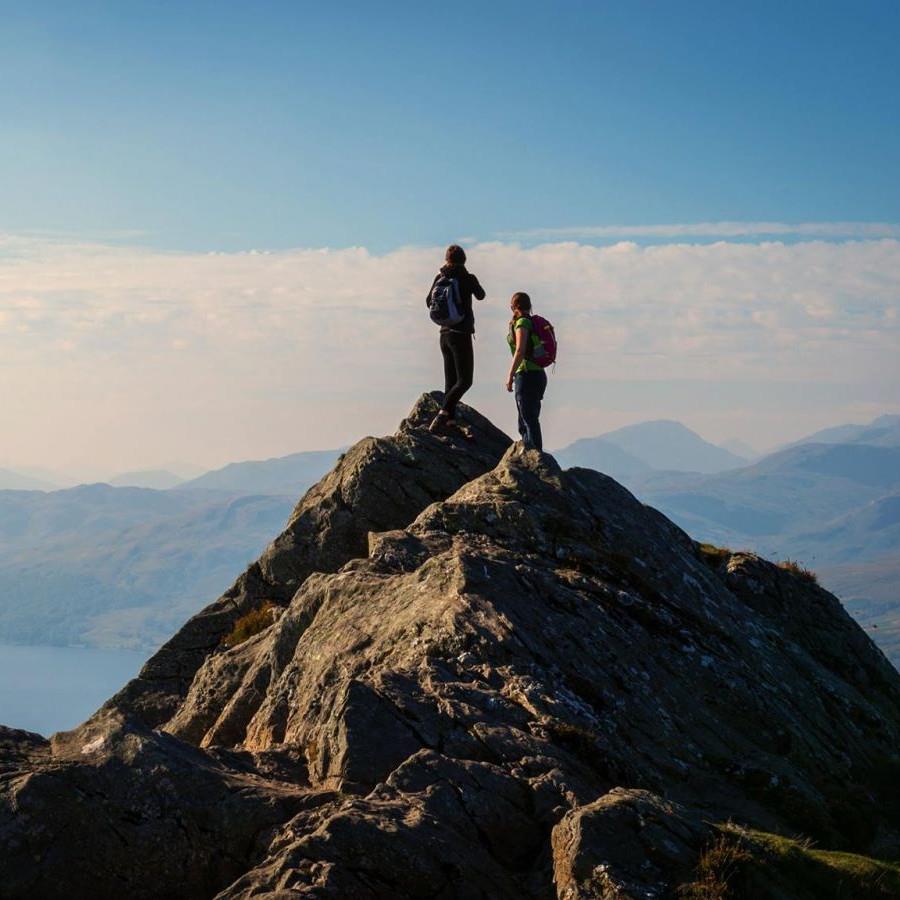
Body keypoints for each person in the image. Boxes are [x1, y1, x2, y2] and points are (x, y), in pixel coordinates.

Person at [426, 244, 485, 434]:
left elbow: (428, 302)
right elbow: (481, 295)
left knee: (450, 381)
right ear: (464, 259)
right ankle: (443, 414)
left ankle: (450, 422)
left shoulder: (439, 277)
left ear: (447, 259)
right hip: (461, 334)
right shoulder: (467, 278)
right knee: (465, 380)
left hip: (443, 334)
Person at [506, 292, 548, 451]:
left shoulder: (522, 322)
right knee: (527, 418)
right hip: (537, 375)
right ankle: (532, 454)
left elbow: (520, 350)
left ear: (513, 307)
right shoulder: (529, 321)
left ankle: (535, 456)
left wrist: (510, 375)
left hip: (526, 374)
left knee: (528, 419)